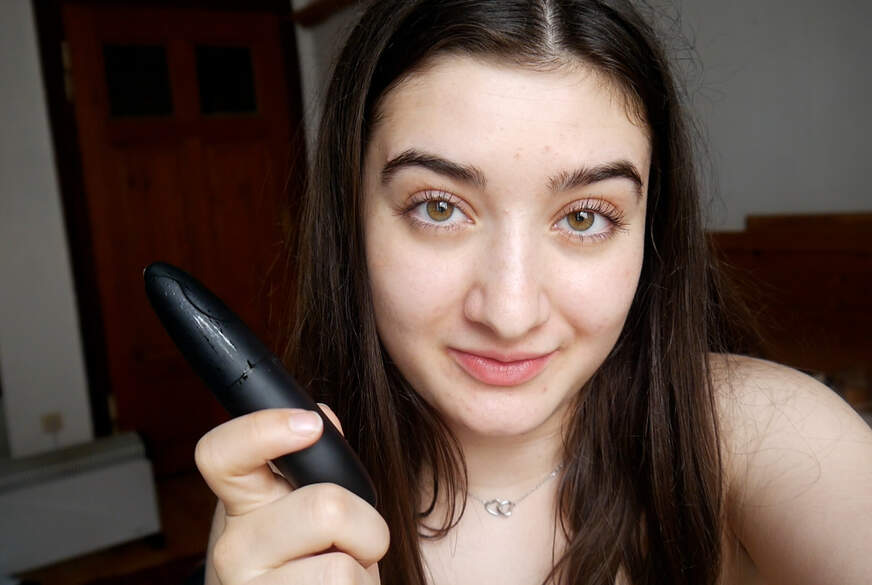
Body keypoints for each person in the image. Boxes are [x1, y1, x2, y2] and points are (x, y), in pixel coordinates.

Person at [194, 1, 872, 584]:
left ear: (650, 232)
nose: (511, 313)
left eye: (585, 218)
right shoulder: (287, 511)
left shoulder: (765, 436)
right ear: (352, 219)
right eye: (438, 207)